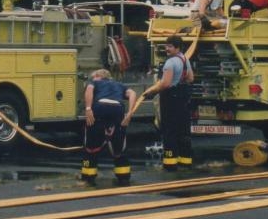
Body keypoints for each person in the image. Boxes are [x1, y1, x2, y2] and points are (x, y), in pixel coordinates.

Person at [143, 35, 194, 171]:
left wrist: (152, 93)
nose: (167, 49)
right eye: (166, 46)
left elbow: (165, 83)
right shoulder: (185, 59)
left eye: (170, 46)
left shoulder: (170, 63)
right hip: (183, 97)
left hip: (170, 97)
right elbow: (190, 78)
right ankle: (185, 161)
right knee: (183, 130)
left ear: (177, 47)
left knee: (169, 130)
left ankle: (170, 163)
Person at [81, 68, 137, 186]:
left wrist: (88, 108)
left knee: (91, 145)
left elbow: (89, 89)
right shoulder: (119, 85)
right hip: (117, 109)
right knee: (119, 146)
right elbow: (133, 93)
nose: (93, 78)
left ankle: (88, 177)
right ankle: (123, 177)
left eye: (94, 76)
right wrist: (130, 113)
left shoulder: (95, 83)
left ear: (99, 76)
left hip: (100, 107)